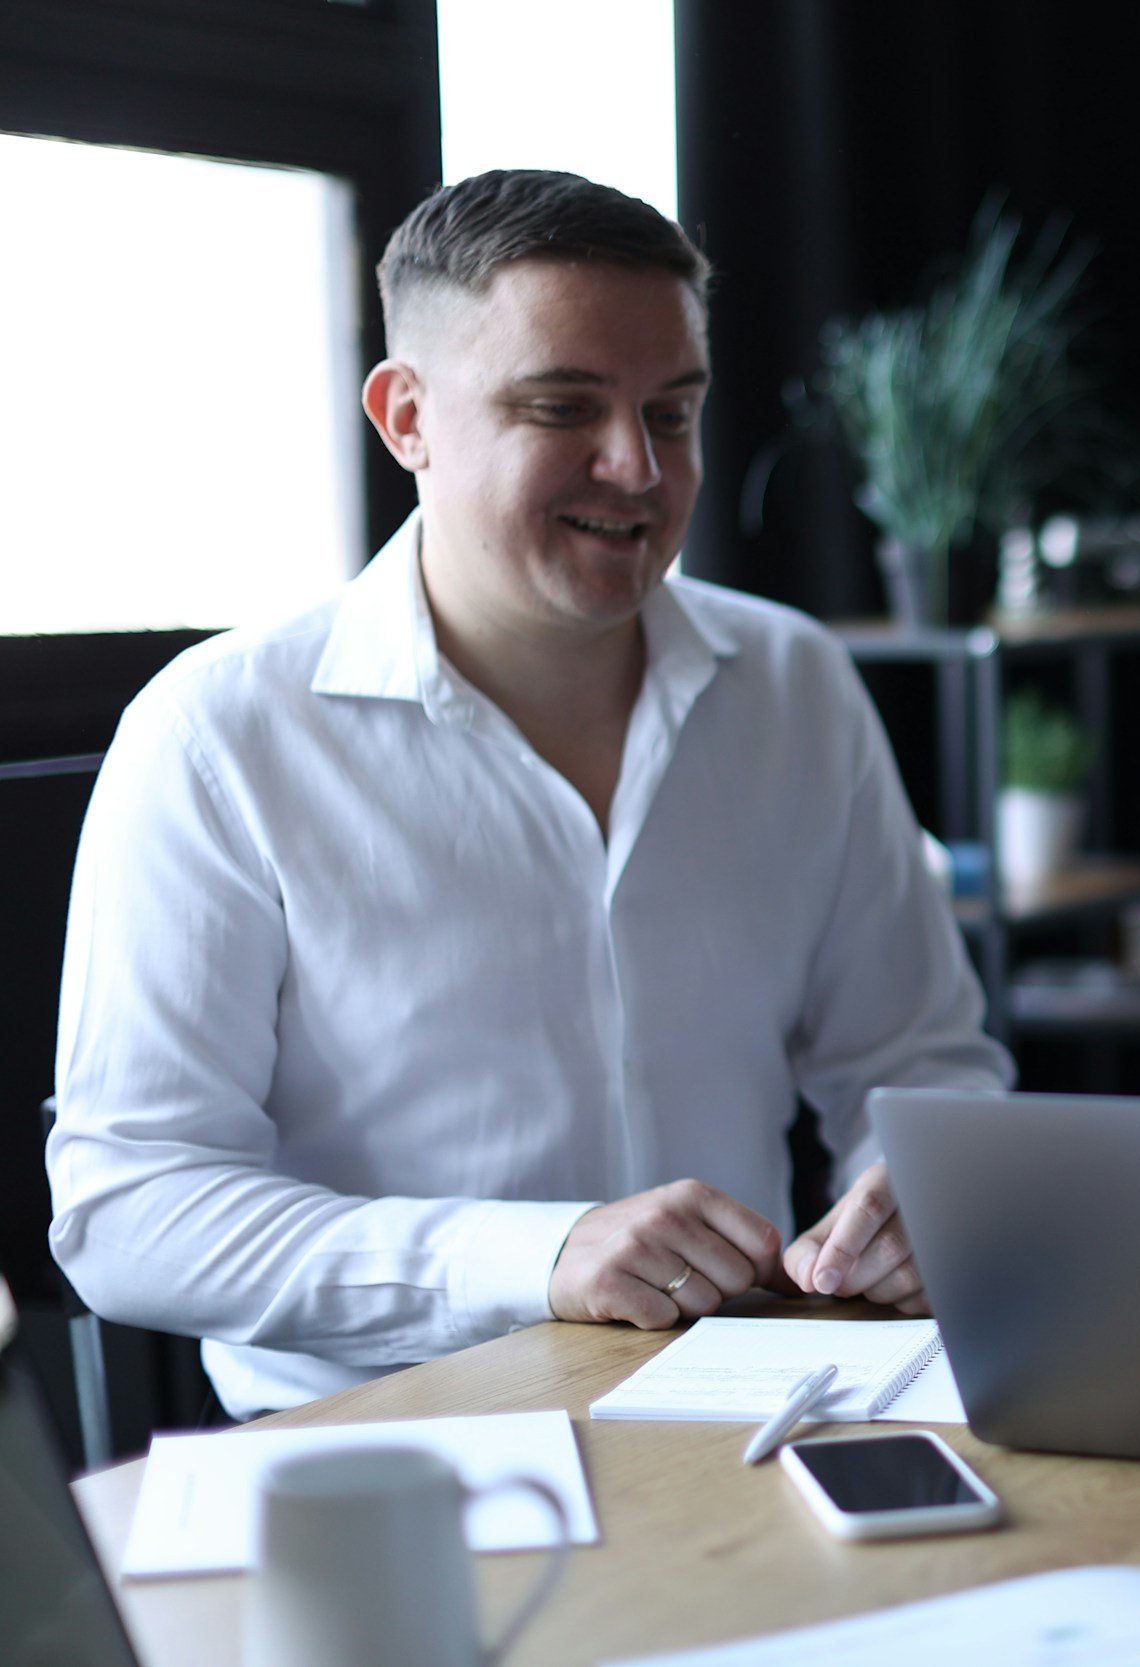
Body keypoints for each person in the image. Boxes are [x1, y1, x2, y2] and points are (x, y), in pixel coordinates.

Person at [45, 170, 1010, 1416]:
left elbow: (917, 1058)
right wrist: (532, 1258)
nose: (637, 468)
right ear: (407, 418)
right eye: (563, 406)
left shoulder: (795, 683)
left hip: (760, 1400)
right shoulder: (217, 733)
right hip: (386, 1436)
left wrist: (918, 1192)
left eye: (673, 412)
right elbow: (132, 1209)